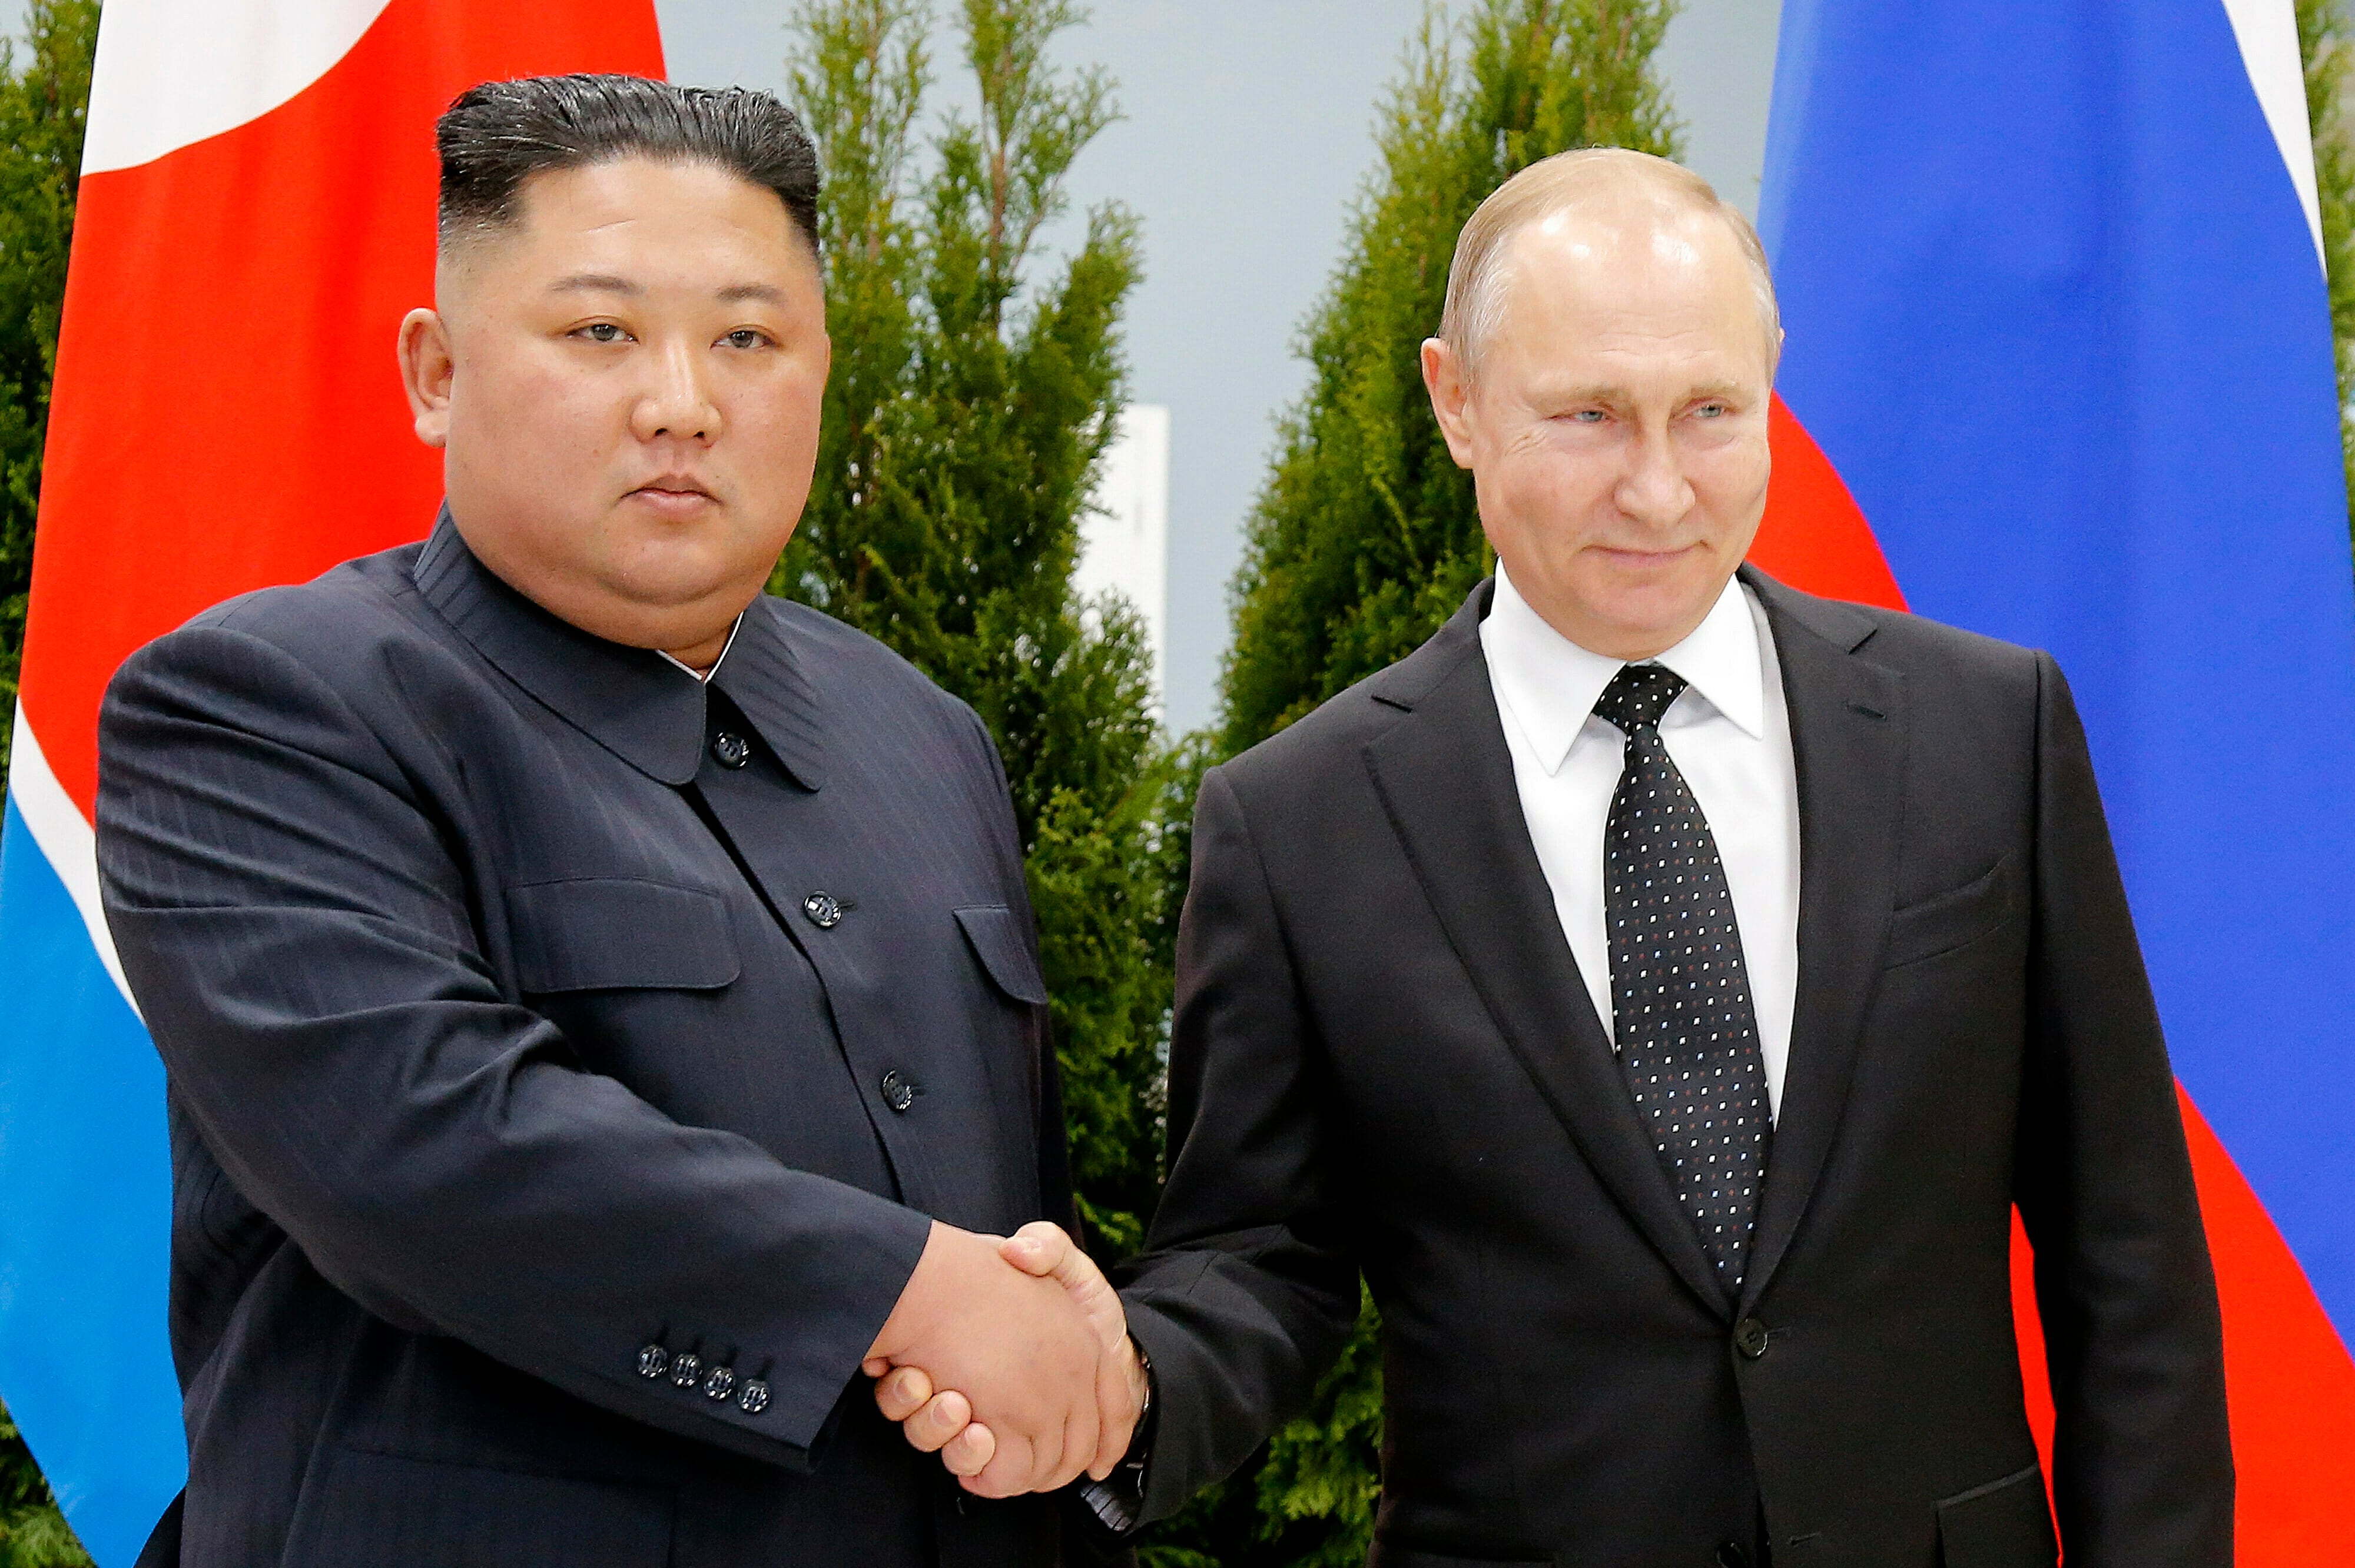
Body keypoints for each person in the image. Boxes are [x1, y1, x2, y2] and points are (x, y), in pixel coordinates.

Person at [882, 148, 2234, 1565]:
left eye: (1710, 411)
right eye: (1587, 414)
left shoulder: (1987, 732)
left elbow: (2126, 1254)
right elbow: (1261, 1262)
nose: (1656, 492)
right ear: (1453, 402)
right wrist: (1125, 1381)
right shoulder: (1297, 824)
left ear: (1770, 370)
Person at [95, 74, 1139, 1568]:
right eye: (600, 332)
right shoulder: (263, 707)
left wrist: (1058, 1340)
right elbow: (425, 1144)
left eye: (746, 338)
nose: (682, 402)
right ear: (436, 372)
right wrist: (911, 1292)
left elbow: (1011, 1224)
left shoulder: (923, 735)